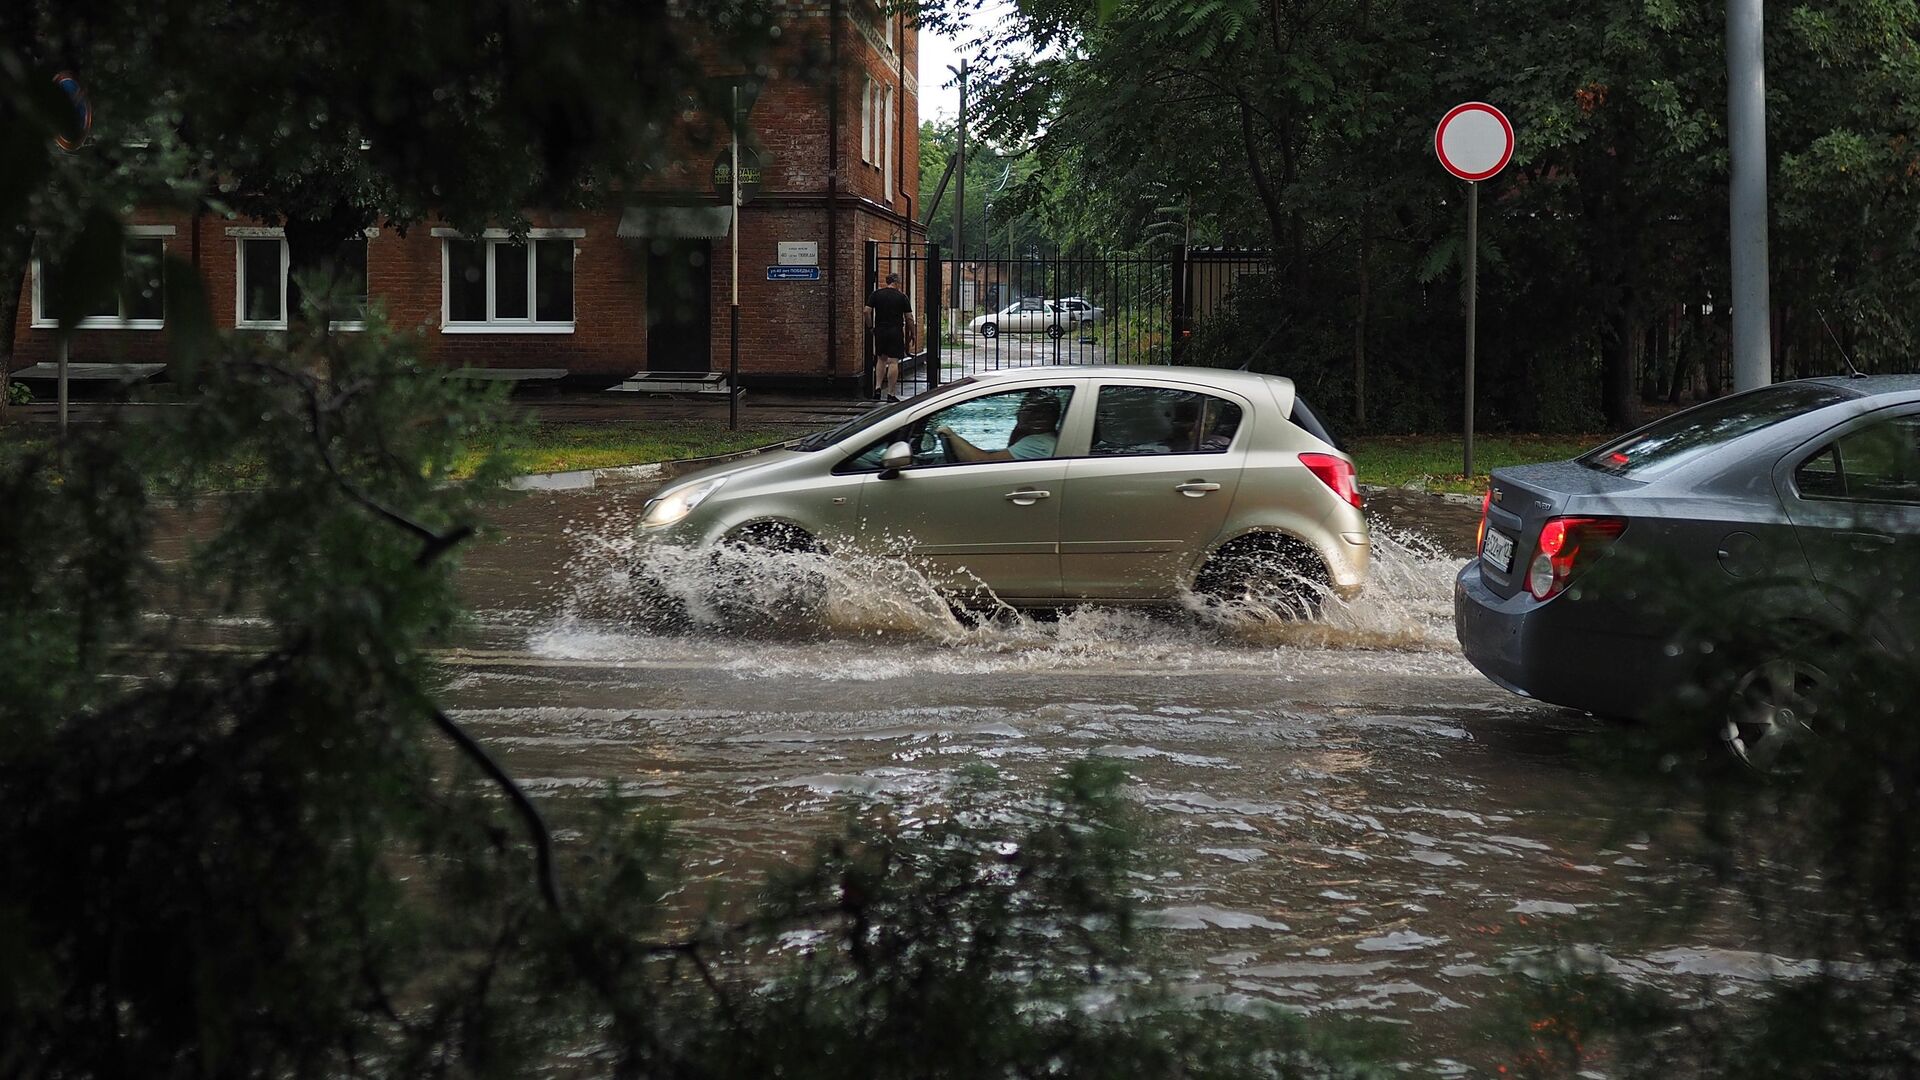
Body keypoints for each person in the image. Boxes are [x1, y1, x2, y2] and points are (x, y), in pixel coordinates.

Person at [935, 393, 1063, 463]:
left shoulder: (1038, 444)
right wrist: (1020, 428)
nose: (1021, 413)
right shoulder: (1047, 439)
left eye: (1030, 410)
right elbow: (1009, 452)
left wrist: (950, 434)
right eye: (1023, 410)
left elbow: (982, 462)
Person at [864, 273, 916, 402]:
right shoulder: (902, 297)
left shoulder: (876, 294)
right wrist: (913, 333)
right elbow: (909, 317)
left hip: (880, 330)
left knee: (881, 359)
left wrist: (870, 326)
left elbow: (866, 311)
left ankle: (877, 388)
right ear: (896, 282)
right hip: (895, 331)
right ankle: (891, 394)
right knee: (893, 361)